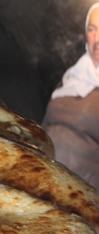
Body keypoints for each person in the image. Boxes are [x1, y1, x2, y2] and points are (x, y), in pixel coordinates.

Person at [42, 3, 99, 190]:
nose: (97, 38)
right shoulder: (73, 77)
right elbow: (45, 126)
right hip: (45, 182)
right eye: (92, 29)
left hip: (83, 198)